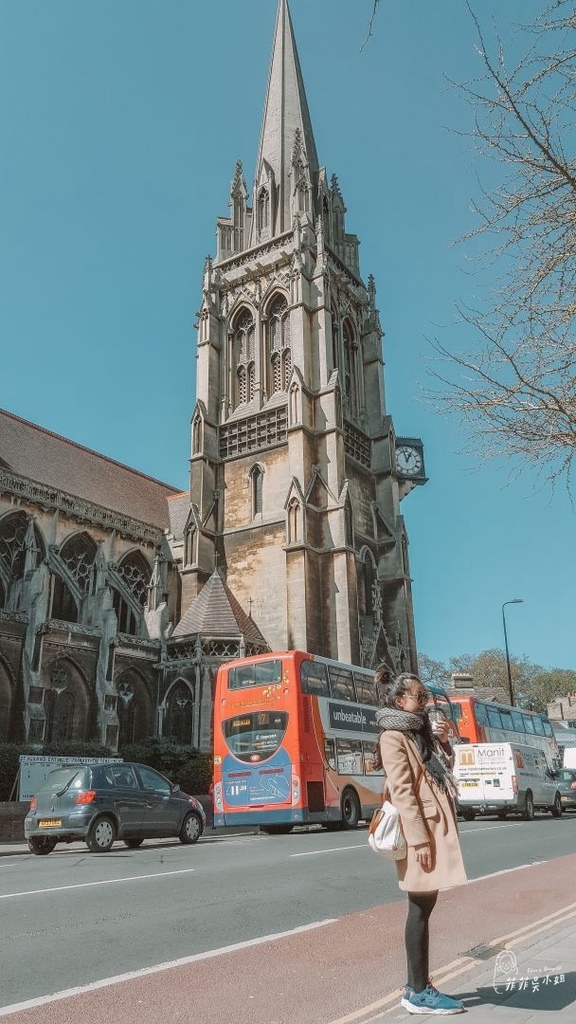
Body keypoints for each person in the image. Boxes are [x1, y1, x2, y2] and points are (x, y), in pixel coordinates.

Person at [375, 668, 467, 1015]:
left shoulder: (419, 732)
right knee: (419, 908)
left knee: (423, 907)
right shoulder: (392, 737)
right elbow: (402, 791)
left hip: (431, 828)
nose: (425, 702)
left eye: (426, 697)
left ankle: (418, 985)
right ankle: (417, 991)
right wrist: (419, 841)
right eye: (420, 697)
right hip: (421, 832)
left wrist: (443, 742)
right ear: (400, 700)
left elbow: (444, 766)